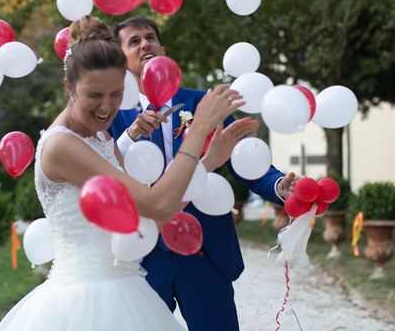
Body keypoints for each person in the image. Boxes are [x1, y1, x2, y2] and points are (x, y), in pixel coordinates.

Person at [0, 16, 245, 331]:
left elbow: (150, 217)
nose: (106, 107)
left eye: (115, 94)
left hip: (128, 289)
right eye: (94, 95)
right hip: (83, 304)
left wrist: (209, 161)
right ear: (69, 86)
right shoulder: (62, 146)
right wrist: (199, 130)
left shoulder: (100, 137)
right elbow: (157, 204)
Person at [110, 16, 297, 331]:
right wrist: (128, 138)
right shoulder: (113, 115)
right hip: (141, 254)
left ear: (163, 49)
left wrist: (278, 186)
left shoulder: (202, 104)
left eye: (150, 38)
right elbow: (104, 172)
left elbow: (244, 159)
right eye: (134, 41)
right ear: (120, 59)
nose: (145, 44)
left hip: (203, 249)